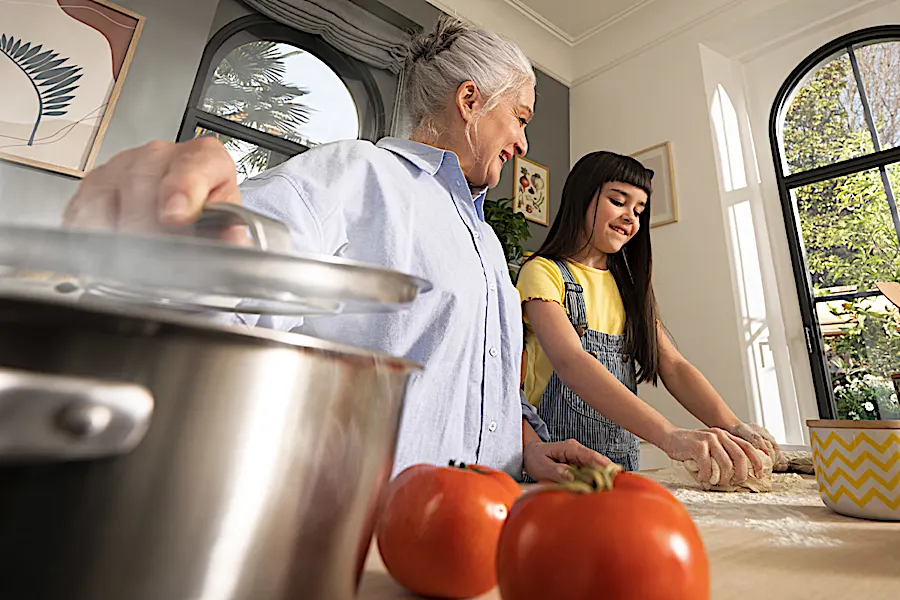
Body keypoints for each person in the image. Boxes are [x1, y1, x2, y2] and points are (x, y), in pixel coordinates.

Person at [62, 16, 608, 483]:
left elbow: (473, 378)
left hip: (491, 524)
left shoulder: (488, 240)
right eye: (521, 117)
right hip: (368, 541)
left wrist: (524, 447)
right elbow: (223, 288)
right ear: (470, 100)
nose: (524, 142)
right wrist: (186, 238)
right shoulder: (356, 174)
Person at [517, 151, 781, 484]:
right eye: (618, 201)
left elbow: (673, 366)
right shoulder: (542, 272)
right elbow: (571, 360)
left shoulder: (627, 290)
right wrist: (669, 436)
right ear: (581, 197)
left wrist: (732, 425)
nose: (630, 217)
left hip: (625, 466)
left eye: (639, 210)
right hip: (560, 467)